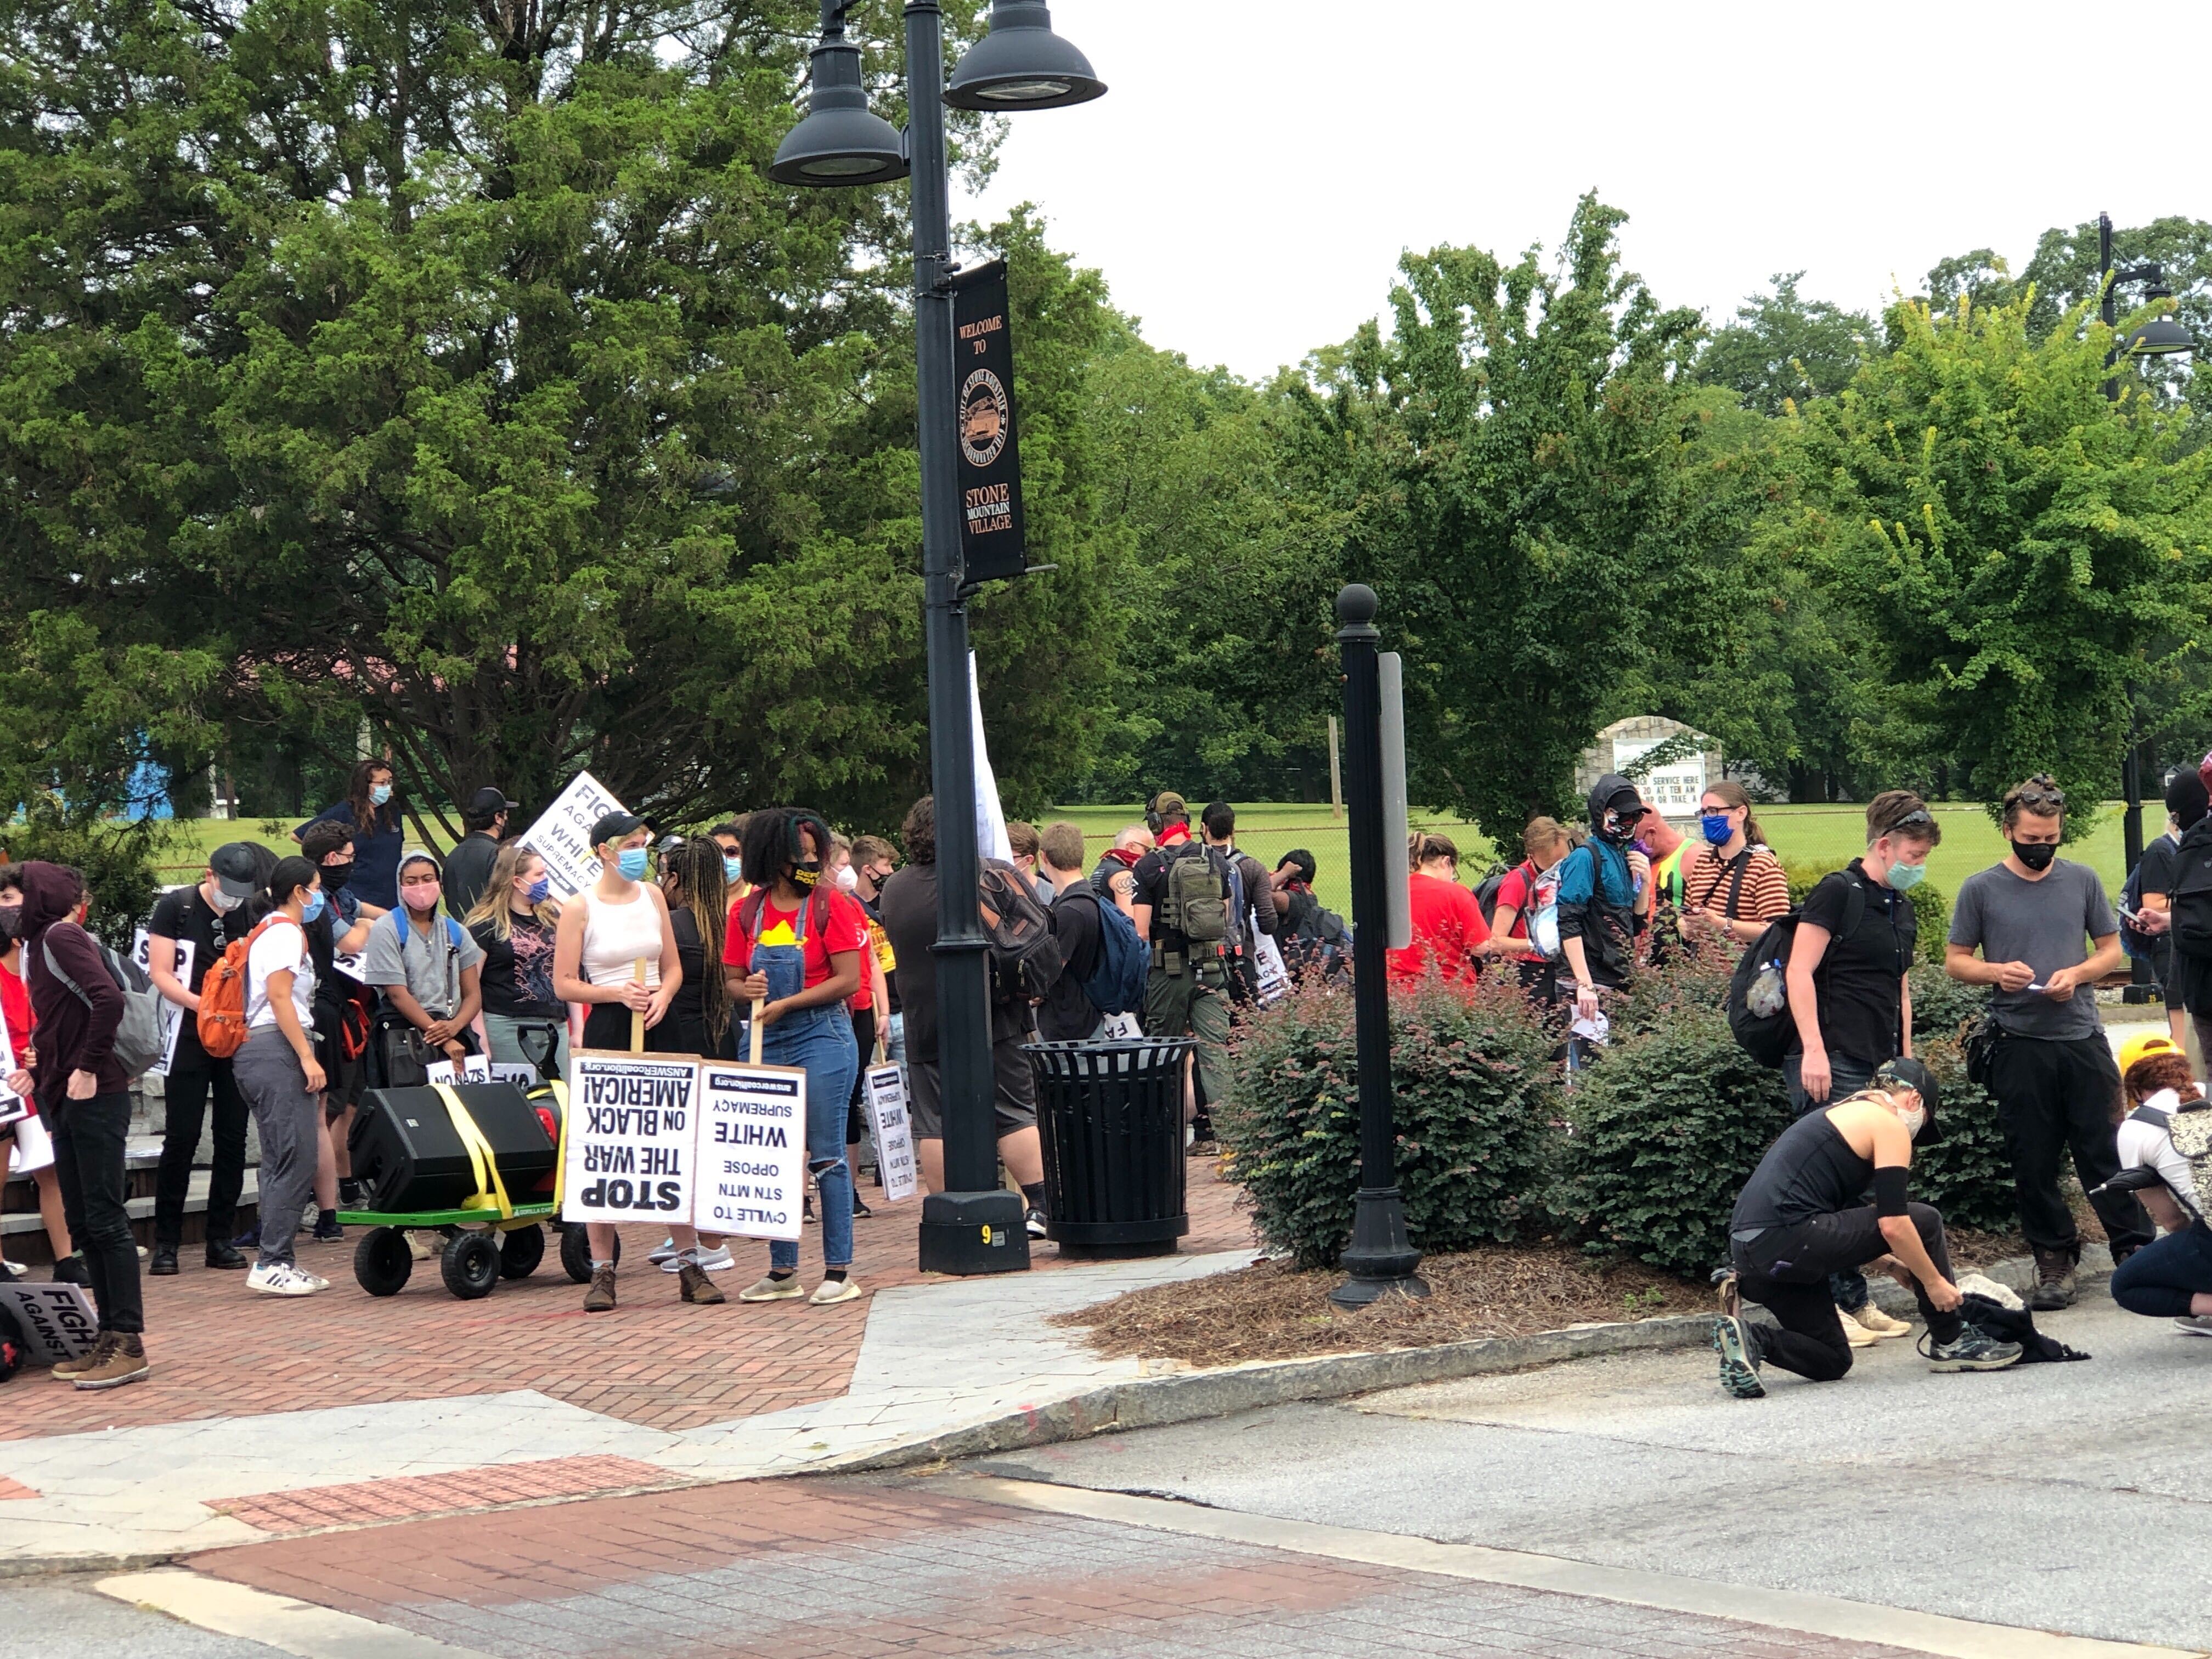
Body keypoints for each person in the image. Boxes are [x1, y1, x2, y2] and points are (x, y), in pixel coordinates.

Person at [1946, 775, 2154, 1307]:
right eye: (2032, 838)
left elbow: (2112, 950)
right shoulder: (1981, 889)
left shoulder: (2081, 881)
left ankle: (2134, 1250)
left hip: (2081, 1035)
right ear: (2008, 831)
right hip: (2018, 1041)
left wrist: (2079, 974)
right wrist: (1997, 972)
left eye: (2051, 838)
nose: (2042, 847)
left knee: (2105, 1149)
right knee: (2033, 1160)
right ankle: (2053, 1260)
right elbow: (1956, 961)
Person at [1713, 1057, 2021, 1397]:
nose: (1917, 1135)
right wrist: (1934, 1283)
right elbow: (1894, 1224)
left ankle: (1753, 1338)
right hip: (1789, 1236)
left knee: (1832, 1360)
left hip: (1752, 1252)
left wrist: (1890, 1265)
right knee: (1924, 1220)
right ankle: (1952, 1339)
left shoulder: (1838, 1115)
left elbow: (1834, 1224)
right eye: (1924, 1124)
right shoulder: (1887, 1124)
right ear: (1914, 1100)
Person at [1777, 789, 1934, 1341]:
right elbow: (1800, 972)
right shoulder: (1837, 893)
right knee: (1826, 1192)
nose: (1920, 865)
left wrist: (1906, 1062)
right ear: (1885, 846)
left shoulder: (1902, 907)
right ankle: (1831, 1307)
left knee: (1864, 1194)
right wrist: (1814, 1049)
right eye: (1914, 854)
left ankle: (1856, 1300)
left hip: (1877, 1061)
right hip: (1831, 1055)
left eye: (1925, 857)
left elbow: (1900, 988)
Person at [551, 812, 711, 1308]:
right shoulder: (580, 908)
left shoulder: (655, 896)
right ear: (605, 850)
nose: (640, 851)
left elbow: (673, 965)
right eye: (632, 843)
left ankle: (690, 1263)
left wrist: (664, 993)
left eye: (644, 843)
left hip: (661, 1022)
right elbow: (564, 984)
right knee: (606, 1144)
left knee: (672, 1139)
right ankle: (602, 1269)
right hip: (610, 1023)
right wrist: (613, 993)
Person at [878, 796, 1052, 1237]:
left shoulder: (895, 888)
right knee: (1013, 1110)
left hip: (924, 1016)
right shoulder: (991, 873)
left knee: (934, 1120)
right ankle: (1044, 1203)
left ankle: (945, 1216)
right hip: (994, 1013)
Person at [724, 809, 866, 1304]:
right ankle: (783, 1272)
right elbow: (732, 981)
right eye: (801, 856)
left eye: (815, 854)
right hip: (765, 1038)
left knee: (827, 1154)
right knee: (774, 1155)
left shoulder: (835, 906)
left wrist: (786, 1002)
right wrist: (749, 989)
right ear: (773, 858)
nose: (812, 863)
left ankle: (838, 1271)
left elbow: (848, 980)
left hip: (822, 1035)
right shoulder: (746, 912)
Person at [18, 861, 148, 1387]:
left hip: (95, 1092)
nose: (7, 908)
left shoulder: (60, 934)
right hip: (63, 1093)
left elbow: (108, 998)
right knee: (84, 1220)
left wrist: (89, 1067)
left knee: (105, 1216)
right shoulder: (37, 944)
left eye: (13, 897)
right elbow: (61, 1020)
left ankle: (129, 1340)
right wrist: (42, 1069)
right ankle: (108, 1334)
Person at [145, 843, 258, 1275]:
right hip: (190, 1030)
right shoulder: (177, 906)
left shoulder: (246, 912)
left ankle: (220, 1238)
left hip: (233, 1033)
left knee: (232, 1136)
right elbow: (159, 972)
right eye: (227, 889)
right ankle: (167, 1242)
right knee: (182, 1136)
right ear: (210, 875)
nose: (232, 900)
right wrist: (202, 1005)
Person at [229, 857, 334, 1299]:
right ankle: (274, 1261)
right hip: (276, 1049)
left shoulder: (266, 930)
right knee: (298, 1156)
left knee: (279, 1158)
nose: (318, 897)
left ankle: (276, 1258)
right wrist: (307, 1056)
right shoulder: (286, 932)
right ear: (298, 892)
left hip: (259, 1051)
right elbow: (279, 996)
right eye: (315, 888)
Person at [1130, 792, 1234, 1125]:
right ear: (1188, 823)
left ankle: (1164, 1138)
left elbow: (1141, 931)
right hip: (1213, 970)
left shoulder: (1147, 866)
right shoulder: (1215, 860)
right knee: (1216, 1054)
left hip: (1169, 974)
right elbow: (1226, 916)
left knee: (1164, 1055)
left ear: (1157, 824)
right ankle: (1232, 1143)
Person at [2107, 1043, 2212, 1335]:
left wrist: (2181, 1255)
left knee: (2127, 1284)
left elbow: (2173, 1221)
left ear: (2135, 1089)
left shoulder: (2135, 1128)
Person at [0, 868, 72, 1283]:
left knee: (52, 1171)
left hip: (42, 1081)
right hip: (8, 1085)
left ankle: (65, 1259)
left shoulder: (42, 961)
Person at [362, 849, 485, 1075]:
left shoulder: (457, 931)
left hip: (455, 1029)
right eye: (412, 881)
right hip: (404, 1036)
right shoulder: (387, 929)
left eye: (428, 879)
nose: (421, 887)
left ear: (438, 883)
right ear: (401, 887)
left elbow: (473, 994)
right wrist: (441, 1037)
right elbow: (398, 994)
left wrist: (455, 1027)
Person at [463, 843, 569, 1077]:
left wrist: (577, 1031)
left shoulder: (552, 917)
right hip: (507, 1026)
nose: (545, 881)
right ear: (517, 881)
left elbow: (568, 974)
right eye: (539, 875)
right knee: (524, 1103)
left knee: (562, 1100)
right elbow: (470, 985)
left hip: (555, 1025)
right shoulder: (485, 924)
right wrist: (481, 1038)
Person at [2126, 769, 2208, 1053]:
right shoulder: (2167, 850)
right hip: (2189, 968)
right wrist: (2168, 919)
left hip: (2196, 973)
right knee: (2190, 1052)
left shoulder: (2193, 848)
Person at [1556, 775, 1645, 1036]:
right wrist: (1584, 984)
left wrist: (1646, 883)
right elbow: (1568, 921)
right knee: (1587, 1068)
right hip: (1588, 983)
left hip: (1615, 978)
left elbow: (1635, 925)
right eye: (1623, 817)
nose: (1629, 824)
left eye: (1635, 818)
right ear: (1602, 814)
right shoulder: (1585, 857)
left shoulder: (1622, 855)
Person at [1674, 781, 1791, 954]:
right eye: (1703, 813)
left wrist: (1723, 925)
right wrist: (1687, 924)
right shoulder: (1703, 862)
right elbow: (1688, 918)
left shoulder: (1763, 865)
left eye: (1714, 812)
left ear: (1740, 813)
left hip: (1745, 972)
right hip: (1704, 974)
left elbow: (1778, 930)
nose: (1707, 819)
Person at [295, 759, 405, 912]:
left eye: (389, 782)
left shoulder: (392, 812)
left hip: (393, 897)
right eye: (382, 783)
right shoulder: (344, 812)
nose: (387, 787)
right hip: (358, 897)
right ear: (365, 785)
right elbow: (299, 836)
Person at [1199, 803, 1280, 1004]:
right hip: (1241, 956)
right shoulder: (1252, 868)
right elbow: (1268, 922)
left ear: (1203, 828)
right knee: (1244, 1024)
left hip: (1200, 960)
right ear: (1233, 830)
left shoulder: (1191, 865)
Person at [1389, 831, 1489, 987]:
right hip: (1449, 991)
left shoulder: (1393, 892)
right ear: (1446, 861)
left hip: (1398, 991)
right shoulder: (1456, 893)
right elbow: (1480, 947)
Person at [1485, 817, 1571, 1001]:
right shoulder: (1517, 882)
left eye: (1563, 863)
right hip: (1528, 973)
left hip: (1562, 967)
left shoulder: (1564, 878)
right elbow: (1496, 941)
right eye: (1551, 865)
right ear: (1531, 856)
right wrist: (1539, 945)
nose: (1558, 871)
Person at [1038, 820, 1105, 1041]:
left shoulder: (1070, 910)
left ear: (1044, 857)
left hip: (1071, 1026)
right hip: (1084, 1017)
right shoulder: (1087, 897)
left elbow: (1051, 971)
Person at [851, 834, 902, 1066]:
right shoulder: (848, 906)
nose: (891, 871)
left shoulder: (896, 902)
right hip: (870, 1011)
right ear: (868, 870)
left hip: (902, 1008)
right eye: (886, 865)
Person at [439, 786, 517, 921]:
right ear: (498, 818)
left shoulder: (453, 855)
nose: (506, 820)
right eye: (505, 815)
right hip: (489, 936)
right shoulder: (497, 855)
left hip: (458, 935)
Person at [1272, 849, 1349, 980]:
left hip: (1291, 976)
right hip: (1311, 974)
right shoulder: (1310, 898)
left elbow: (1261, 894)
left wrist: (1283, 874)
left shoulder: (1292, 899)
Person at [1091, 824, 1152, 920]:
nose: (1148, 854)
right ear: (1131, 847)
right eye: (1147, 850)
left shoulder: (1102, 868)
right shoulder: (1123, 875)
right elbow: (1131, 921)